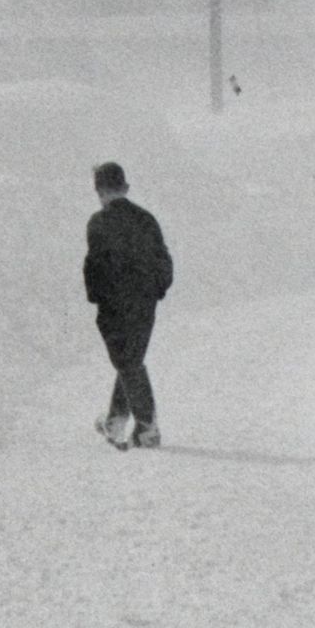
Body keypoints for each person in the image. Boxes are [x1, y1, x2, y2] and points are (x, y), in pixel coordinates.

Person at [84, 160, 174, 448]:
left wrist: (97, 298)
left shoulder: (98, 222)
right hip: (145, 304)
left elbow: (94, 267)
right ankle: (115, 420)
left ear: (99, 191)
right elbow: (164, 262)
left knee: (127, 362)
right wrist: (156, 292)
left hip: (115, 306)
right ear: (125, 187)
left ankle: (147, 429)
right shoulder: (146, 219)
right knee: (130, 360)